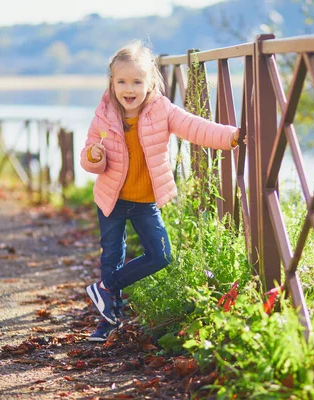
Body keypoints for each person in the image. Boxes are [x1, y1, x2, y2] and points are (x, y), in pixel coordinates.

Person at [79, 41, 241, 342]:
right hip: (111, 199)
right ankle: (106, 323)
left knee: (161, 255)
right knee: (111, 257)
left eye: (137, 81)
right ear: (112, 83)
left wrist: (231, 137)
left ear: (151, 82)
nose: (129, 88)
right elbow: (87, 155)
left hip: (144, 202)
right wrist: (93, 157)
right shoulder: (104, 114)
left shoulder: (161, 111)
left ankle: (104, 287)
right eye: (122, 81)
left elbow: (196, 127)